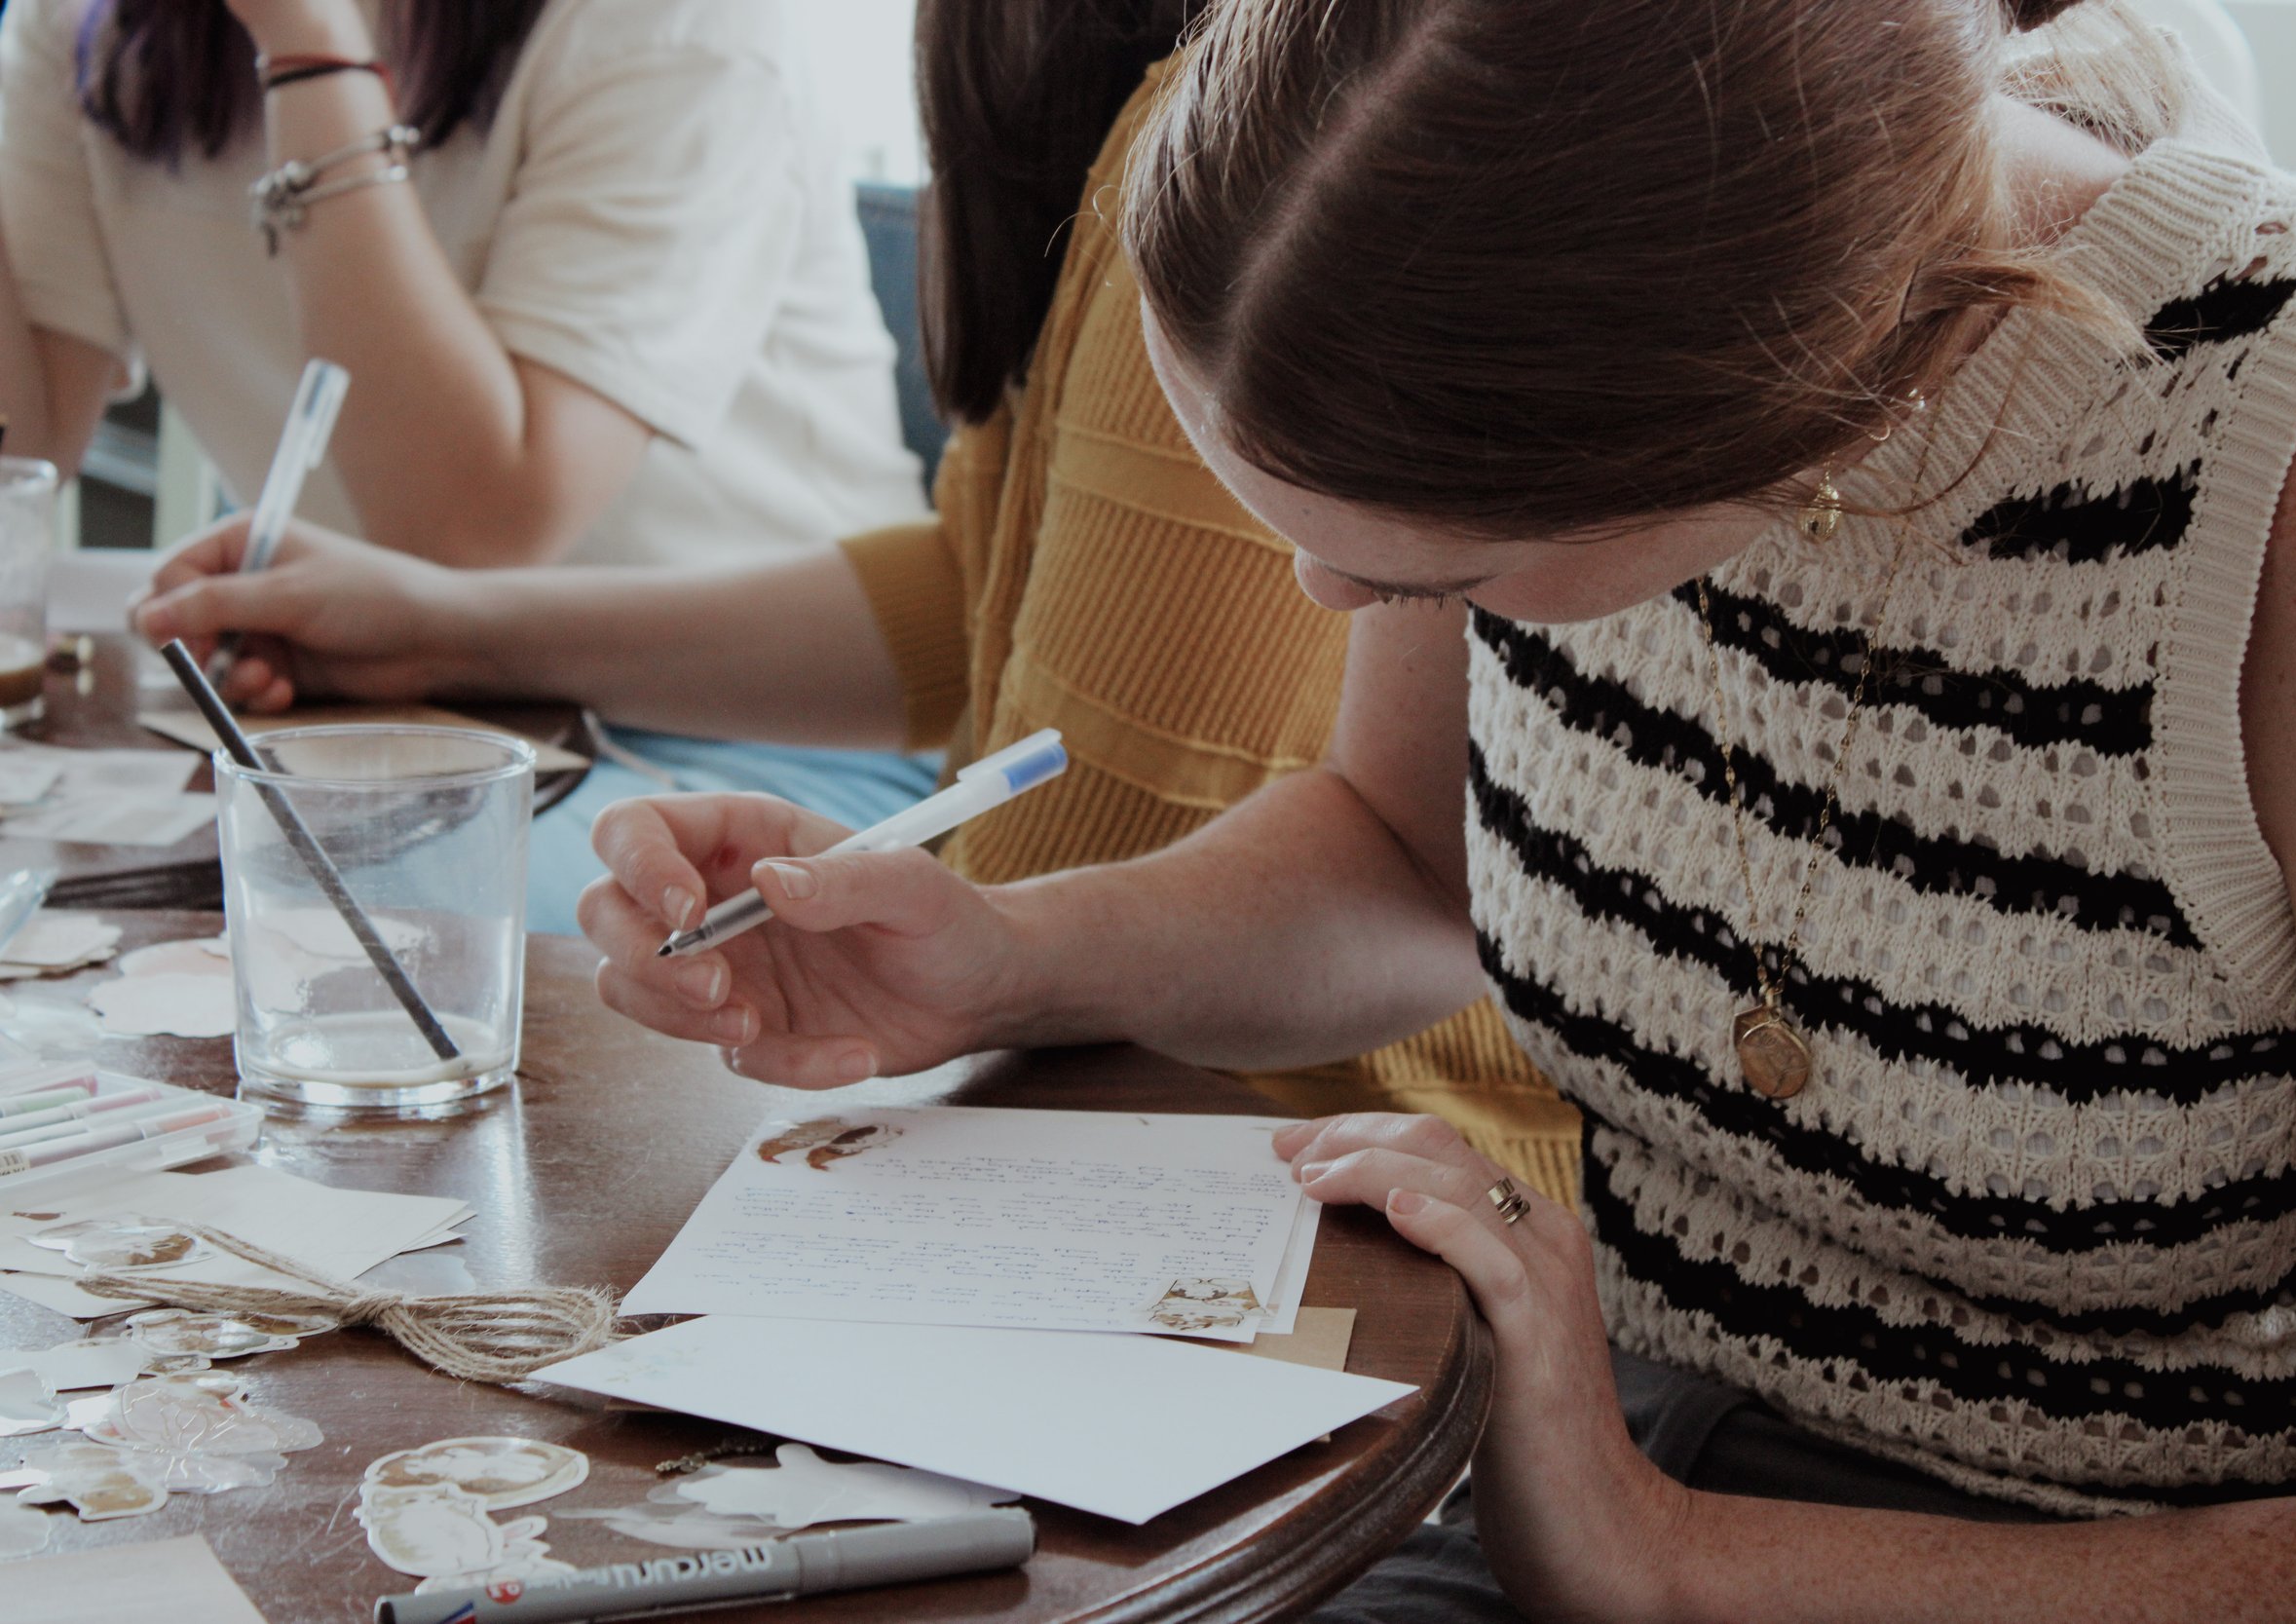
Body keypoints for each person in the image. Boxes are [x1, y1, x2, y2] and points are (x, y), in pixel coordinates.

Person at [566, 0, 2296, 1616]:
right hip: (1596, 1458)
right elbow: (1399, 865)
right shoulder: (1504, 281)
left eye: (1434, 571)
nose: (1333, 608)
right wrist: (1004, 962)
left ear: (1761, 405)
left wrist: (1672, 1554)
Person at [131, 0, 1579, 1198]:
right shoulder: (1098, 95)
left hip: (1273, 1158)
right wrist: (445, 621)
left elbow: (1302, 861)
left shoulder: (1276, 149)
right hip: (1063, 1088)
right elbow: (974, 597)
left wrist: (988, 962)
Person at [0, 0, 939, 928]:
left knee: (299, 939)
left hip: (760, 737)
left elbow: (473, 530)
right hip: (388, 719)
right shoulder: (88, 31)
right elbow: (24, 452)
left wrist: (317, 54)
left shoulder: (683, 27)